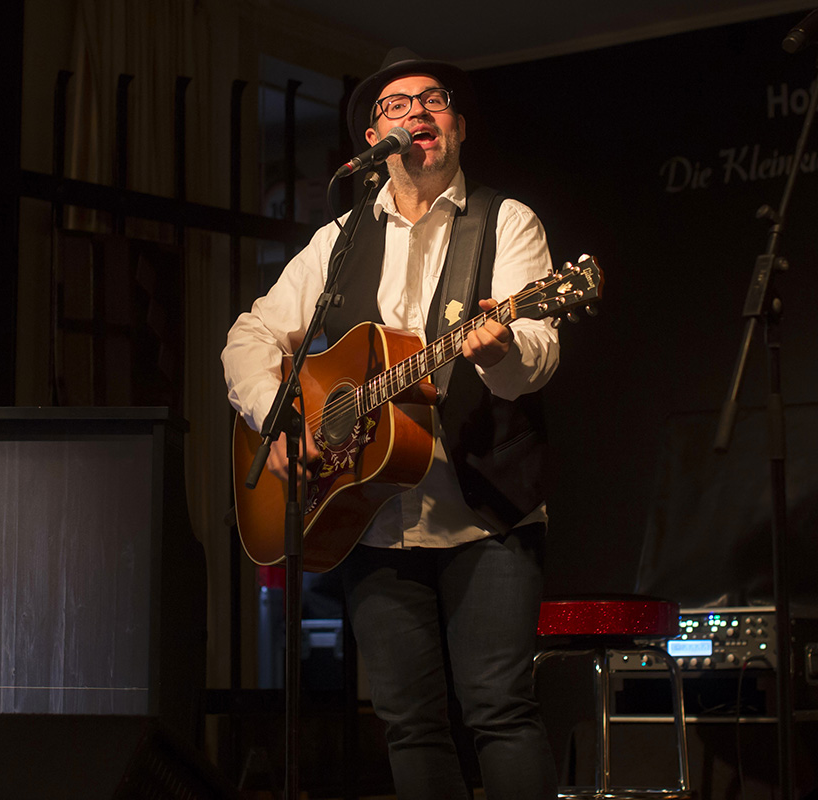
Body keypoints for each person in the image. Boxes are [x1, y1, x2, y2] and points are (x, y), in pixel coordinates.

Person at [222, 47, 561, 799]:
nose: (417, 113)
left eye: (433, 101)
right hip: (368, 515)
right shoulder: (338, 240)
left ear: (459, 126)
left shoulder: (505, 223)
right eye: (397, 105)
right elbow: (250, 337)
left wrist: (499, 349)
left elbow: (537, 355)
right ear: (375, 138)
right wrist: (279, 423)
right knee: (409, 723)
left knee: (499, 710)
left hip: (486, 508)